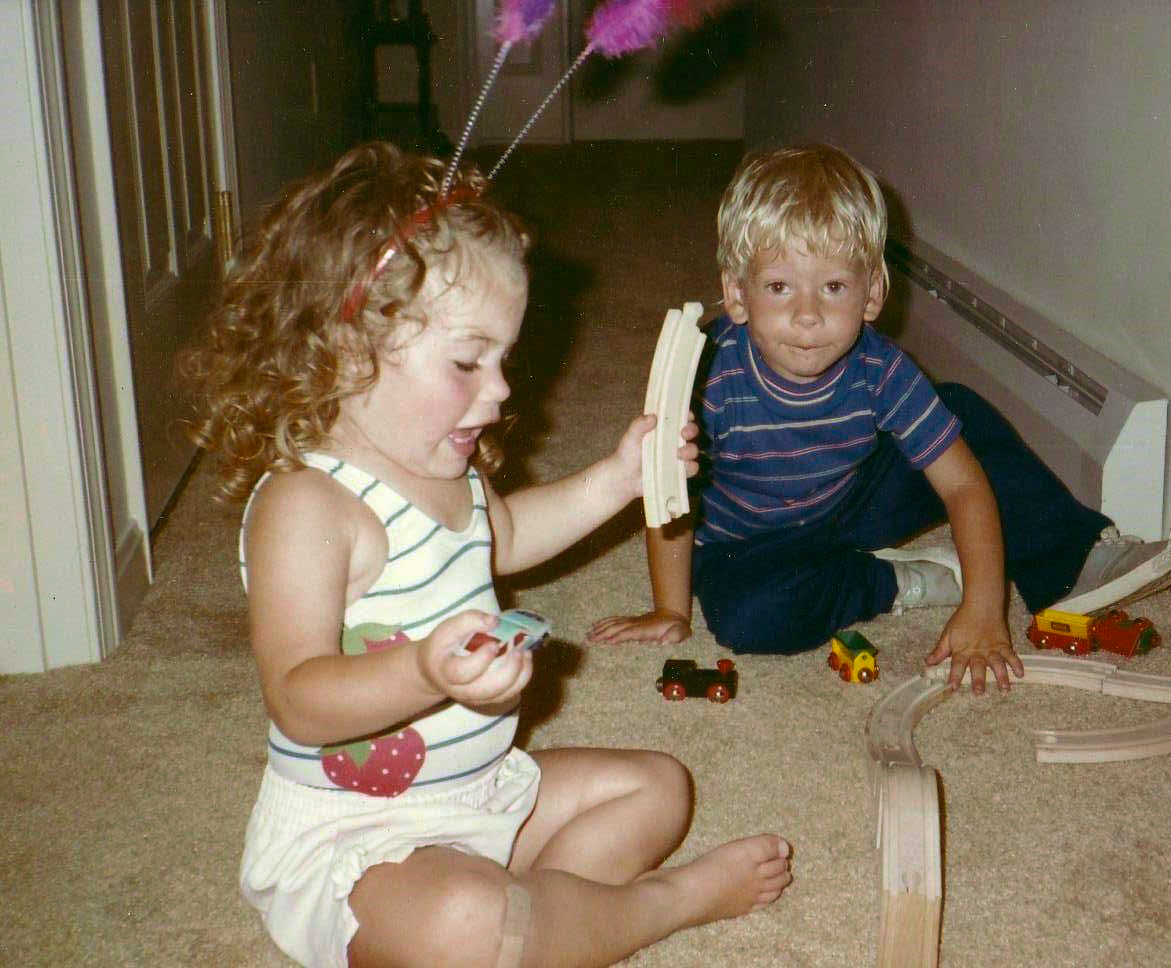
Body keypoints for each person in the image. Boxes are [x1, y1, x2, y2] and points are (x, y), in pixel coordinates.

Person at [181, 142, 791, 968]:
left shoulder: (445, 467)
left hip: (479, 795)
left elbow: (502, 537)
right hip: (364, 841)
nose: (501, 389)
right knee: (464, 919)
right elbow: (299, 698)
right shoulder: (305, 505)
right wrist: (424, 674)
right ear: (347, 348)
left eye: (502, 359)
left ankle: (539, 927)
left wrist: (616, 480)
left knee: (659, 788)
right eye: (469, 361)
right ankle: (654, 907)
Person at [589, 144, 1171, 693]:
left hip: (853, 499)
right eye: (779, 287)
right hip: (749, 544)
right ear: (735, 294)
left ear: (874, 294)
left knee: (959, 414)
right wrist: (671, 610)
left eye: (833, 287)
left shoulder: (881, 369)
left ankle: (1073, 558)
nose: (807, 315)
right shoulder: (710, 375)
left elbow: (962, 485)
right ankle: (894, 582)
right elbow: (668, 497)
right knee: (748, 618)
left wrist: (987, 607)